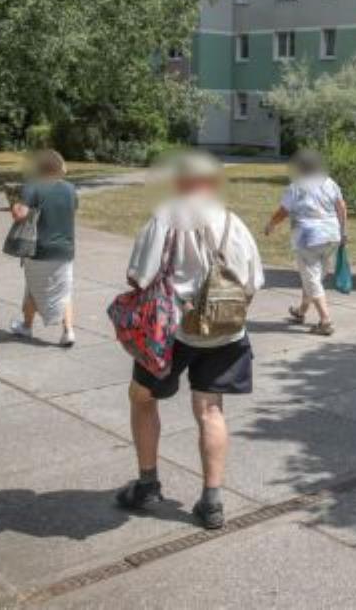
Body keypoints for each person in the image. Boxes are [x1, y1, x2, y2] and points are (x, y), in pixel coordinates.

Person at [115, 151, 263, 530]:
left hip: (172, 332)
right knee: (211, 410)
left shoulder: (165, 218)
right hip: (225, 332)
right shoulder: (233, 222)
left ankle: (147, 485)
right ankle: (211, 502)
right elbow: (253, 282)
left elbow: (139, 276)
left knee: (141, 398)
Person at [264, 149, 347, 336]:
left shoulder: (296, 186)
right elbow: (341, 206)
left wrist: (270, 224)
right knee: (313, 277)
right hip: (332, 236)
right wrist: (344, 232)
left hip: (308, 239)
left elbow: (283, 211)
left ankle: (325, 321)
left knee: (312, 279)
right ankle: (301, 311)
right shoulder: (330, 183)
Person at [9, 150, 78, 347]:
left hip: (39, 249)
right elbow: (72, 211)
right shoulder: (70, 189)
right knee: (64, 291)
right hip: (65, 250)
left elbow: (20, 215)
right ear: (59, 167)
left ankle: (26, 327)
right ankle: (68, 331)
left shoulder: (33, 187)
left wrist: (14, 205)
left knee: (32, 289)